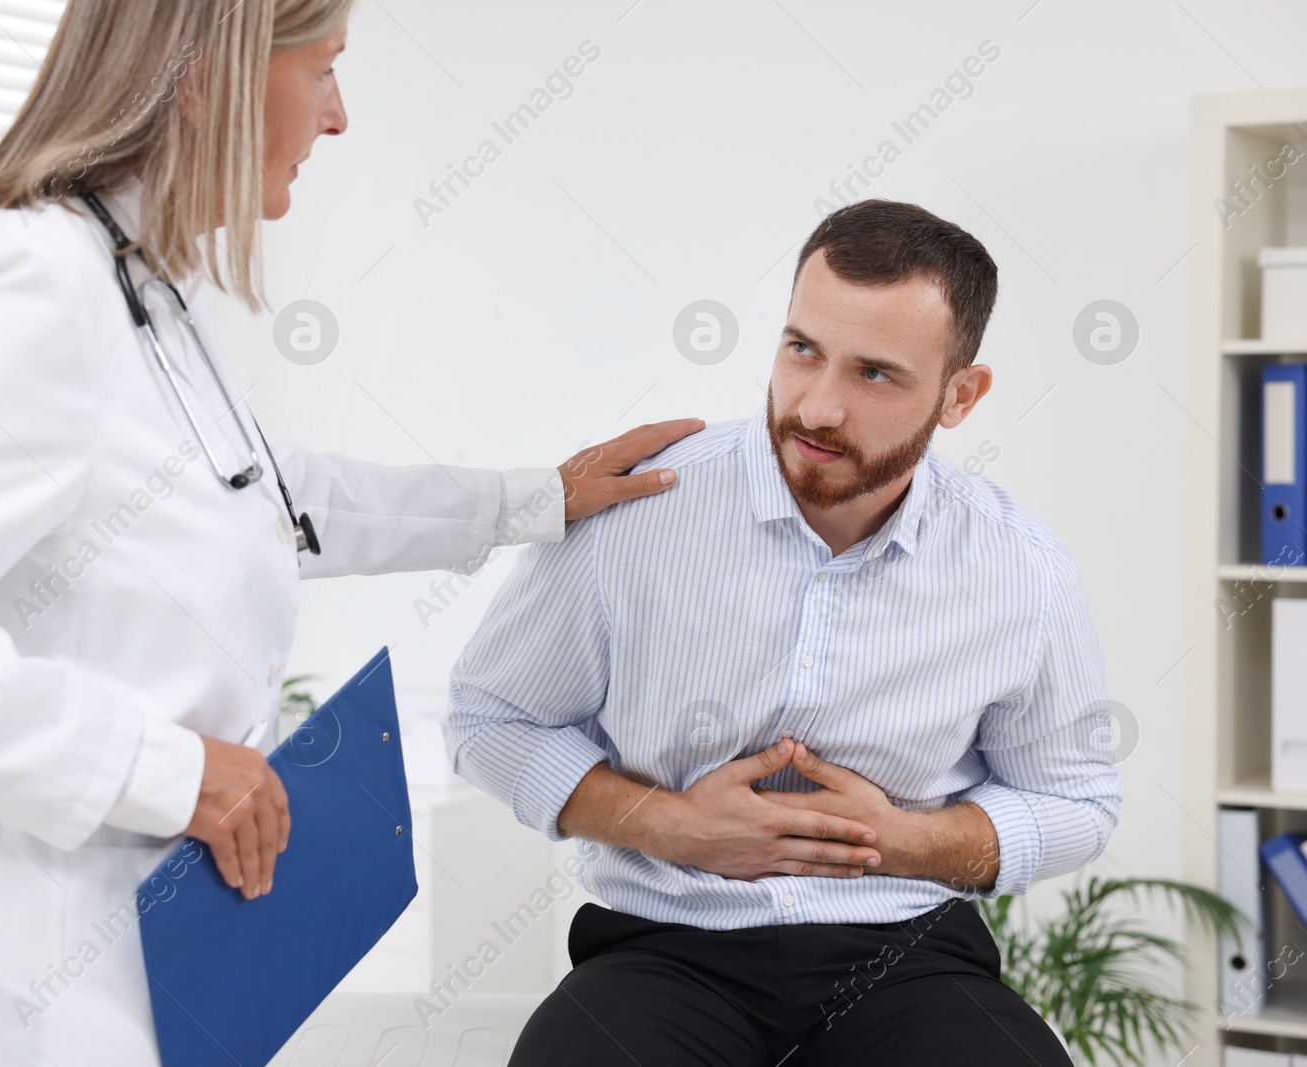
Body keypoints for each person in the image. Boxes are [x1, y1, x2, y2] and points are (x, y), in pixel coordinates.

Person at [0, 2, 701, 1064]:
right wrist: (166, 767)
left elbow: (260, 498)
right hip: (9, 997)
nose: (338, 118)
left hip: (142, 967)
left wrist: (534, 497)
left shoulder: (144, 287)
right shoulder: (38, 286)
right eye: (323, 68)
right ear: (211, 75)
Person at [444, 199, 1120, 1066]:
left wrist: (903, 838)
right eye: (803, 350)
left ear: (960, 395)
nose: (819, 408)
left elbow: (1077, 799)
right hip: (666, 942)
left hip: (907, 952)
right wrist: (669, 823)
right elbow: (490, 719)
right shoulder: (637, 510)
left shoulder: (1023, 568)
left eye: (875, 374)